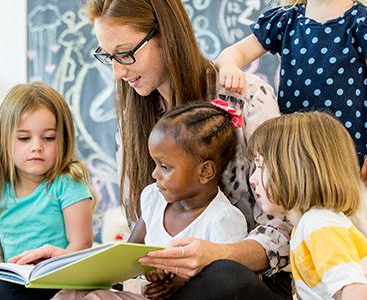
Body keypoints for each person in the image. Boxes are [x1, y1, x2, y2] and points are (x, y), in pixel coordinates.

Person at [87, 0, 292, 299]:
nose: (118, 72)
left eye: (126, 54)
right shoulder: (131, 119)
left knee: (223, 276)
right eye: (109, 57)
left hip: (247, 282)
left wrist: (215, 255)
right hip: (169, 289)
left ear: (166, 37)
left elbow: (284, 228)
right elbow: (143, 224)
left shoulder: (246, 96)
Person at [53, 101, 249, 299]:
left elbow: (224, 284)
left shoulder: (223, 219)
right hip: (143, 293)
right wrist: (150, 271)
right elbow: (128, 254)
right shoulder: (154, 197)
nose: (155, 174)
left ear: (205, 171)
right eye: (155, 164)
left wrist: (179, 283)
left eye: (165, 167)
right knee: (73, 292)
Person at [215, 0, 367, 185]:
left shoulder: (360, 22)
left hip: (345, 152)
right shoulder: (286, 19)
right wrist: (229, 65)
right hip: (295, 150)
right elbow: (236, 51)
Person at [0, 82, 95, 300]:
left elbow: (81, 243)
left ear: (63, 138)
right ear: (4, 140)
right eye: (24, 138)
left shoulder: (68, 180)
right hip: (16, 283)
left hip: (61, 279)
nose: (37, 146)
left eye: (48, 138)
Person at [247, 111, 367, 300]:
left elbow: (353, 291)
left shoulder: (318, 224)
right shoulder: (312, 223)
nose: (252, 179)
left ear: (296, 169)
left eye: (261, 166)